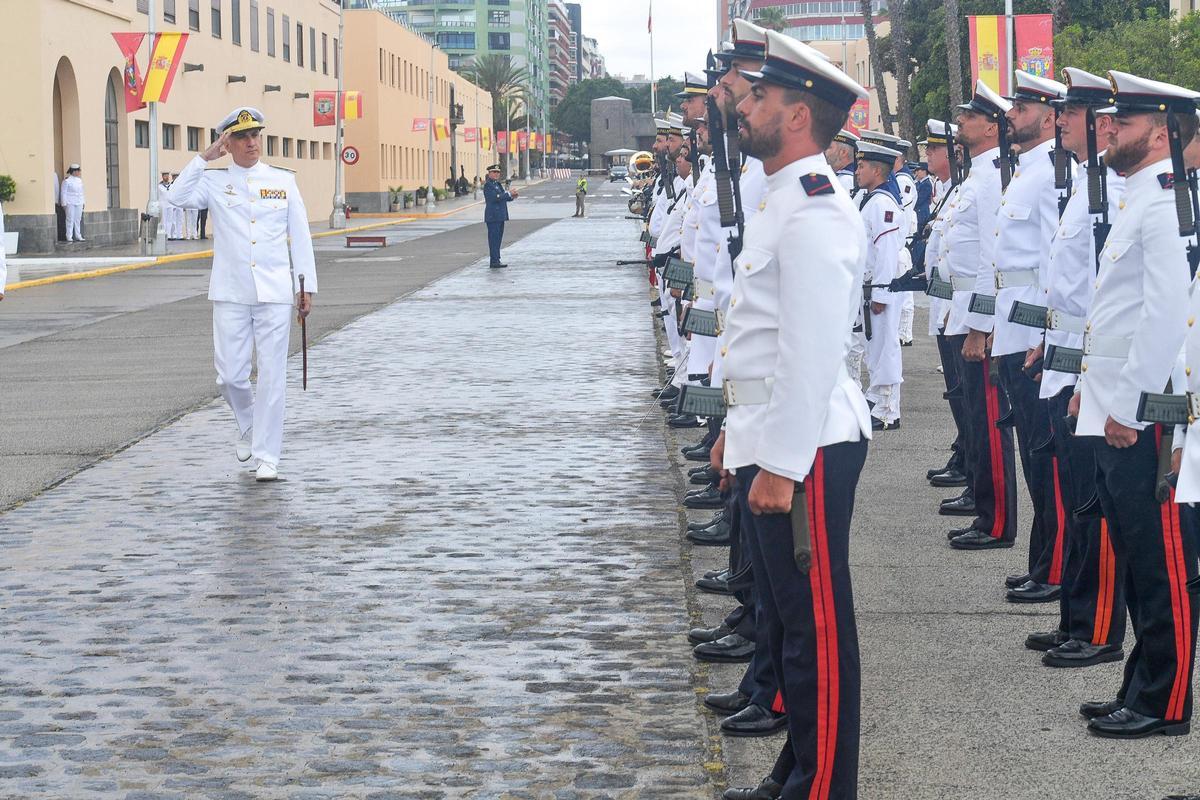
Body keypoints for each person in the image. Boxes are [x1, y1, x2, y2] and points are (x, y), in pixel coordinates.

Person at [714, 28, 871, 799]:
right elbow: (759, 341)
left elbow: (809, 352)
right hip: (774, 435)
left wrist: (778, 463)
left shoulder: (814, 208)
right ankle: (797, 771)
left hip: (805, 446)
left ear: (799, 115)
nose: (746, 108)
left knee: (814, 633)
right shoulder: (784, 198)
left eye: (761, 98)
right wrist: (734, 436)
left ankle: (824, 787)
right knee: (785, 625)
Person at [1072, 71, 1199, 739]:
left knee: (1161, 560)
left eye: (1118, 123)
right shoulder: (1141, 199)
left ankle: (1166, 701)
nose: (1105, 129)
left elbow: (1165, 316)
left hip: (1148, 414)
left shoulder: (1168, 203)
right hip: (1121, 405)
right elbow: (1115, 314)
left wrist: (1131, 407)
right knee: (1136, 551)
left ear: (1157, 133)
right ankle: (1141, 684)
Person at [163, 106, 316, 482]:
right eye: (242, 138)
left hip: (276, 292)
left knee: (271, 376)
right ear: (227, 143)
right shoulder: (213, 181)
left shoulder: (282, 181)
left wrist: (305, 285)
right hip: (231, 291)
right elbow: (176, 198)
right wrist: (203, 158)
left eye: (255, 136)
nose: (251, 143)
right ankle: (248, 424)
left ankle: (268, 455)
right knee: (230, 376)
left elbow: (301, 235)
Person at [990, 69, 1068, 602]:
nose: (1010, 117)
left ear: (1047, 117)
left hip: (1029, 333)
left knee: (1045, 458)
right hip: (1010, 325)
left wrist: (1041, 332)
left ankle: (1055, 564)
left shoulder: (1049, 175)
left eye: (1020, 109)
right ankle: (1043, 558)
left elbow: (1050, 260)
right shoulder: (1025, 171)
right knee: (1032, 456)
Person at [940, 80, 1019, 550]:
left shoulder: (993, 176)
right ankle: (983, 506)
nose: (961, 122)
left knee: (989, 421)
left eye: (970, 116)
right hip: (960, 311)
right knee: (974, 413)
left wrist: (981, 325)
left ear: (992, 126)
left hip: (977, 319)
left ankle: (996, 522)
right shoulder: (977, 173)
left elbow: (993, 253)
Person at [854, 141, 906, 430]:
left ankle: (887, 410)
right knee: (873, 347)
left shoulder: (883, 203)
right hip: (867, 287)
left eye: (862, 166)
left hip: (879, 287)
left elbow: (886, 251)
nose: (857, 170)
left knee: (885, 346)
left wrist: (881, 292)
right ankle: (877, 399)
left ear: (877, 170)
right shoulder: (867, 199)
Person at [483, 164, 518, 268]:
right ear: (489, 173)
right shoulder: (488, 185)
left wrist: (512, 196)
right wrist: (508, 194)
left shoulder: (497, 184)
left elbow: (503, 196)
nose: (496, 174)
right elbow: (494, 198)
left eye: (498, 172)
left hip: (500, 216)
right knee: (493, 240)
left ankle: (497, 259)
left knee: (498, 239)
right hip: (493, 216)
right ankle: (494, 261)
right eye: (494, 172)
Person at [61, 164, 85, 242]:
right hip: (70, 202)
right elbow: (63, 193)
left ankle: (78, 235)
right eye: (78, 171)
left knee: (78, 219)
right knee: (70, 219)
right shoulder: (67, 181)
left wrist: (83, 202)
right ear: (74, 171)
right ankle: (69, 236)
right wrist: (64, 203)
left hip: (79, 201)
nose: (79, 172)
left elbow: (82, 192)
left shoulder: (79, 180)